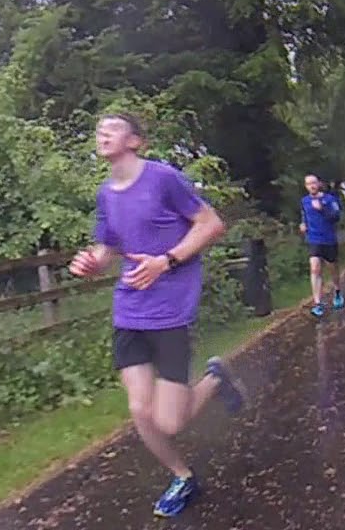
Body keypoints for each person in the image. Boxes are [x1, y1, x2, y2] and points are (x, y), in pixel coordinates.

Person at [69, 113, 247, 518]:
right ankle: (183, 477)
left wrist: (166, 260)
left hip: (169, 310)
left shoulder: (163, 178)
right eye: (99, 129)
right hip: (129, 310)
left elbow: (211, 224)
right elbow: (107, 247)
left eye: (113, 128)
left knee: (170, 422)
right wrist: (92, 263)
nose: (103, 133)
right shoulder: (106, 194)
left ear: (135, 141)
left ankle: (215, 378)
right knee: (138, 410)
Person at [299, 174, 344, 317]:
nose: (311, 186)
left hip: (329, 239)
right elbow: (304, 215)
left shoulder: (330, 199)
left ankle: (337, 291)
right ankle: (318, 303)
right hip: (314, 239)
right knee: (315, 268)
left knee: (332, 268)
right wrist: (303, 224)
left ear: (319, 184)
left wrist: (322, 209)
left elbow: (336, 217)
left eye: (313, 183)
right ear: (306, 186)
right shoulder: (304, 201)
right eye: (308, 184)